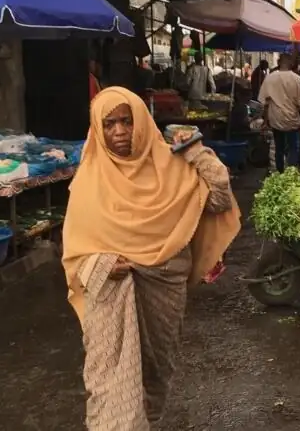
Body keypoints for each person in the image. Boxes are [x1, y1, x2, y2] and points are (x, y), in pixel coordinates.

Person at [61, 87, 240, 429]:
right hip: (110, 292)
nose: (119, 132)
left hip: (165, 286)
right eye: (109, 123)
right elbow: (74, 249)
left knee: (156, 370)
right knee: (109, 379)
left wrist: (198, 153)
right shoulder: (89, 179)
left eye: (127, 122)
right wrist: (100, 265)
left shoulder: (171, 162)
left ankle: (150, 420)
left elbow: (219, 200)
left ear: (141, 121)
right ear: (98, 129)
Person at [259, 54, 300, 172]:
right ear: (291, 63)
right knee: (293, 148)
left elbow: (265, 103)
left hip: (276, 120)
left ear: (278, 62)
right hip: (292, 120)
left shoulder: (269, 78)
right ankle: (291, 172)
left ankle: (280, 172)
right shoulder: (297, 79)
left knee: (279, 148)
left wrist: (265, 121)